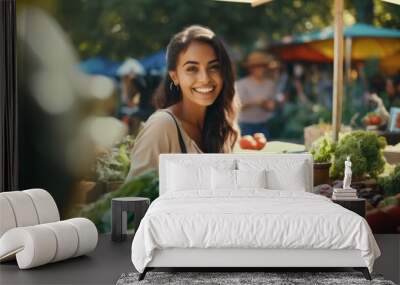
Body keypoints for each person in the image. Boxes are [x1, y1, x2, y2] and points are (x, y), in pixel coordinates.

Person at [125, 25, 239, 180]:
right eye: (192, 69)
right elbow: (133, 197)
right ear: (175, 76)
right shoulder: (162, 125)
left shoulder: (223, 123)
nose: (205, 78)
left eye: (214, 67)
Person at [235, 51, 278, 138]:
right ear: (251, 68)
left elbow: (271, 106)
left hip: (263, 124)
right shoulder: (241, 84)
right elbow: (237, 106)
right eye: (257, 66)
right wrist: (256, 102)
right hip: (245, 125)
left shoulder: (270, 84)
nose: (261, 69)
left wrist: (269, 105)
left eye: (263, 66)